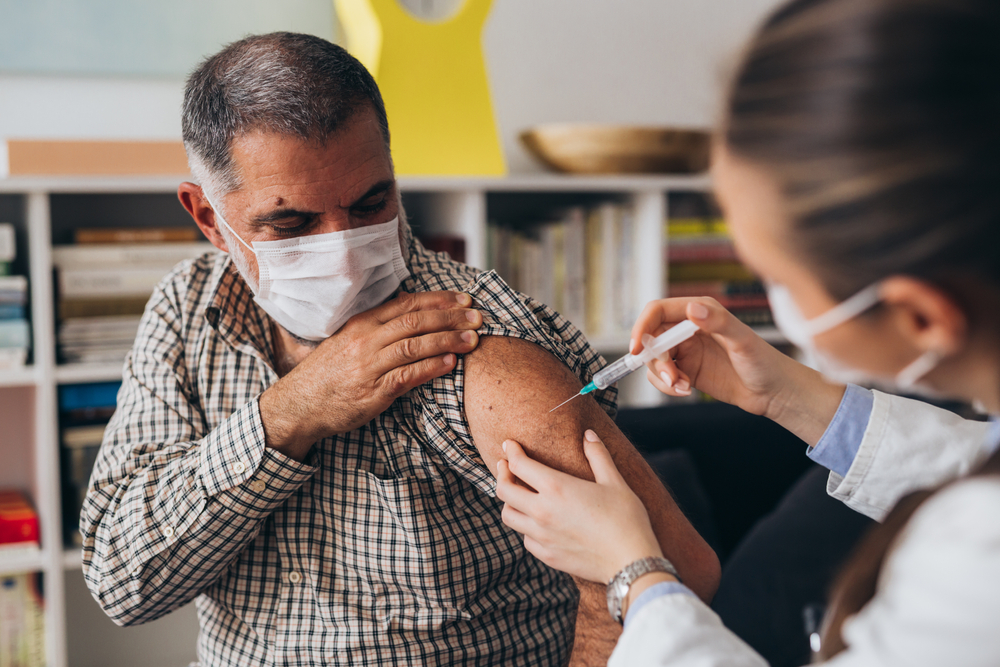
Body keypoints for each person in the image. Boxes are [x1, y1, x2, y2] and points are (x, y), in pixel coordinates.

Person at [80, 32, 719, 666]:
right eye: (293, 224)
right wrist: (289, 414)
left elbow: (670, 579)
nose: (345, 256)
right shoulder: (191, 306)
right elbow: (119, 580)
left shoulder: (477, 340)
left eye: (370, 203)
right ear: (208, 218)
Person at [495, 0, 1000, 664]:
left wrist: (631, 571)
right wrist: (790, 396)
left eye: (776, 274)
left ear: (921, 315)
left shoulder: (971, 563)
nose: (767, 299)